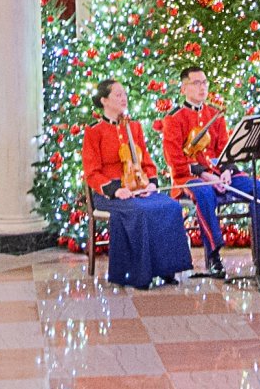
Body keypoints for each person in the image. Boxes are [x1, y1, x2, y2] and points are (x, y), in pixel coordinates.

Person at [81, 79, 192, 289]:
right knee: (139, 212)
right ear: (104, 101)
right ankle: (139, 274)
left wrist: (150, 183)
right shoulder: (94, 131)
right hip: (110, 194)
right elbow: (92, 172)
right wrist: (115, 190)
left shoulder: (134, 127)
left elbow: (147, 162)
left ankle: (167, 268)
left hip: (138, 187)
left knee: (169, 206)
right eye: (118, 95)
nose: (124, 98)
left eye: (124, 94)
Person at [160, 66, 260, 276]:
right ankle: (214, 254)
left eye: (204, 82)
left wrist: (226, 170)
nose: (202, 87)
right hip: (188, 178)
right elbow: (174, 158)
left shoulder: (214, 114)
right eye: (196, 83)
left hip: (218, 174)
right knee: (204, 192)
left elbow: (224, 148)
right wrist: (204, 174)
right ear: (183, 88)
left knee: (259, 188)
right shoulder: (174, 118)